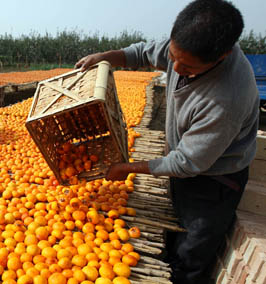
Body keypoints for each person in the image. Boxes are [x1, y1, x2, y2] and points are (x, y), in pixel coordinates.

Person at [75, 0, 259, 283]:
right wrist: (106, 56)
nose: (174, 67)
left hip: (215, 181)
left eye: (186, 66)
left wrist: (126, 168)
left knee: (192, 252)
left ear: (221, 57)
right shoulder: (187, 46)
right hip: (187, 162)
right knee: (176, 229)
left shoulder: (226, 99)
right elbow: (142, 52)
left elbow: (187, 162)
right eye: (173, 56)